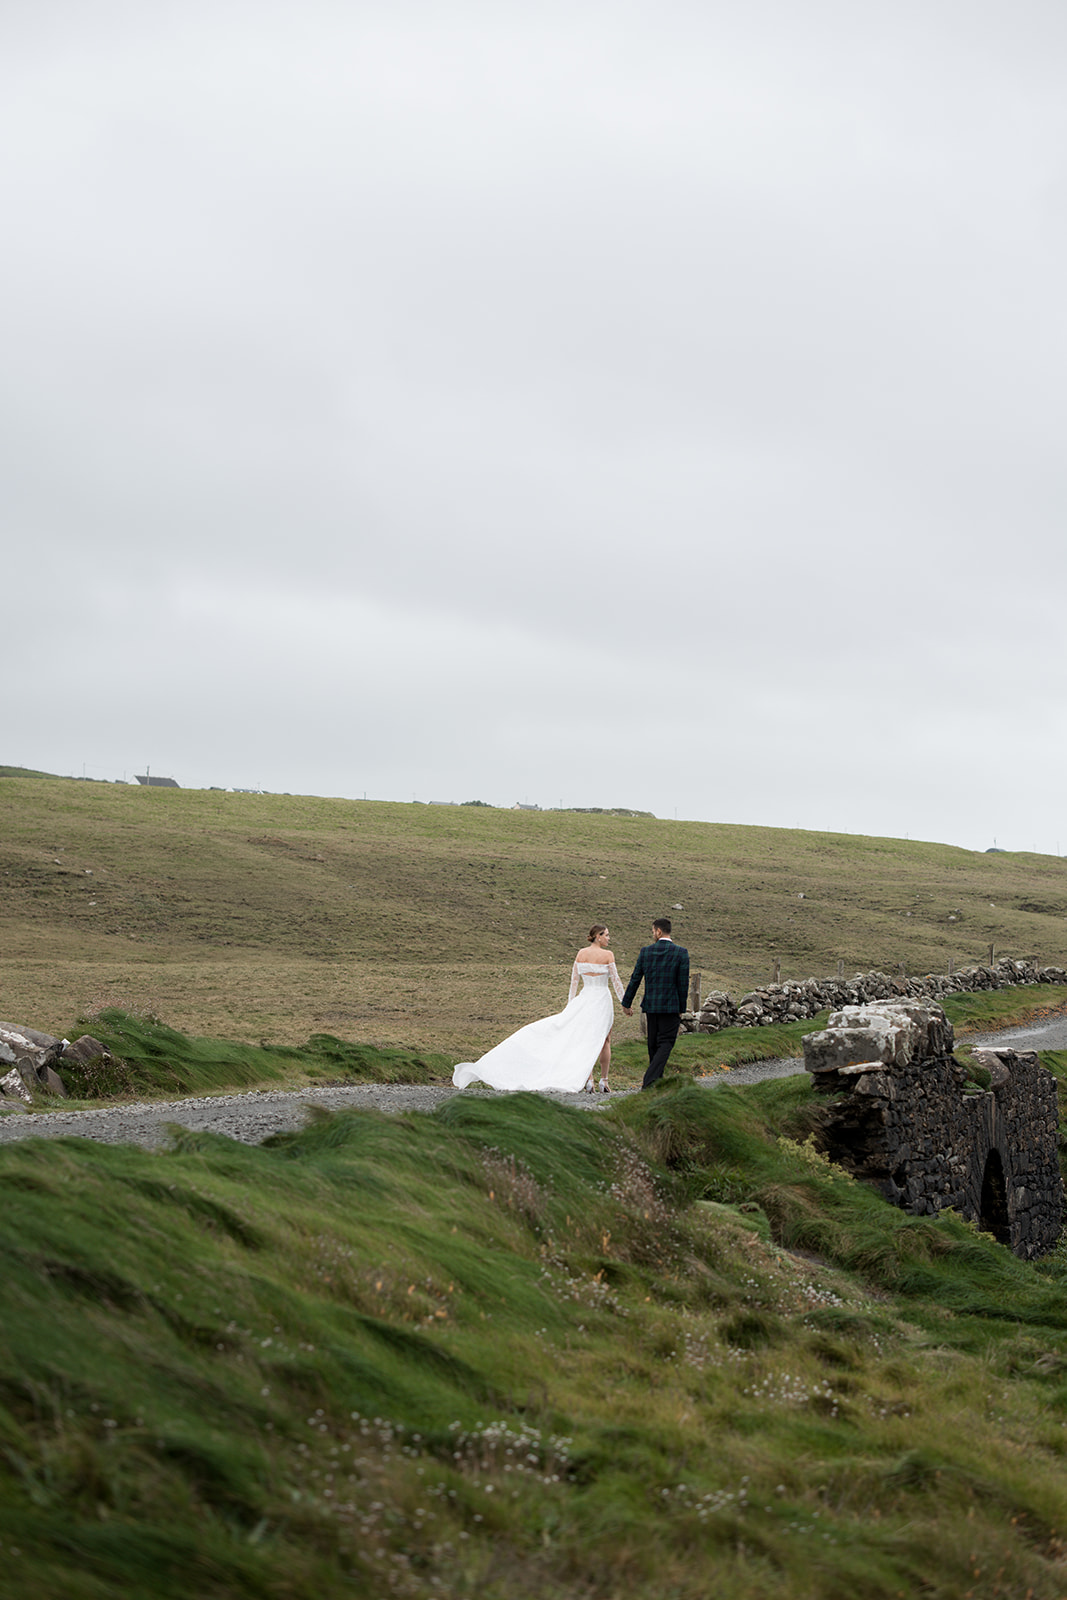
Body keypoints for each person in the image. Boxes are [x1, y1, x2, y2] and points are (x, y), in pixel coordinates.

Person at [452, 924, 624, 1093]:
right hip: (601, 999)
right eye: (607, 935)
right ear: (598, 936)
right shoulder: (608, 955)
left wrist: (571, 1005)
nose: (609, 938)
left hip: (584, 999)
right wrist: (624, 1002)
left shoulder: (581, 953)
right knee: (604, 1040)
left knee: (581, 1038)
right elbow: (616, 982)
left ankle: (589, 1079)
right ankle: (604, 1080)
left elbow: (574, 981)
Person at [621, 918, 690, 1089]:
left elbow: (635, 978)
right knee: (666, 1043)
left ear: (659, 931)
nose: (652, 934)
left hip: (651, 1006)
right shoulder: (681, 953)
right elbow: (683, 985)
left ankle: (655, 1084)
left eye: (653, 931)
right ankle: (650, 1081)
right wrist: (682, 1008)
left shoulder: (646, 952)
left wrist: (626, 1002)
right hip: (671, 1006)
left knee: (653, 1044)